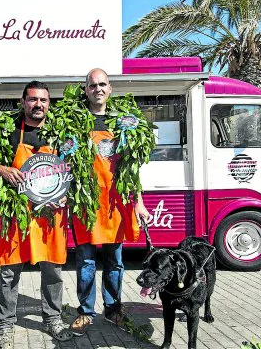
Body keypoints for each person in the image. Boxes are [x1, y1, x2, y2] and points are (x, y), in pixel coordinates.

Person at [0, 81, 72, 349]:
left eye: (43, 100)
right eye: (33, 100)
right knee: (9, 271)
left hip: (50, 213)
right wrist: (2, 169)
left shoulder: (60, 132)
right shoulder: (8, 130)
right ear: (23, 102)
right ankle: (5, 326)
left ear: (49, 103)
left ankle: (53, 319)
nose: (38, 105)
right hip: (16, 214)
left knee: (53, 269)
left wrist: (66, 190)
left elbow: (73, 166)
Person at [70, 68, 151, 336]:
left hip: (117, 203)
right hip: (87, 203)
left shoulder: (124, 121)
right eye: (92, 85)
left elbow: (132, 168)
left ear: (110, 88)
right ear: (86, 90)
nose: (98, 89)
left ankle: (113, 309)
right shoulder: (75, 122)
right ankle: (85, 312)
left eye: (102, 84)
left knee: (115, 261)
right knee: (85, 262)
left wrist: (138, 202)